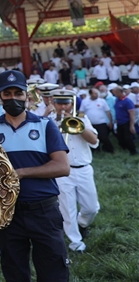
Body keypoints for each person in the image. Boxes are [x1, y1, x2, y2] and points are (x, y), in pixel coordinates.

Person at [0, 70, 70, 282]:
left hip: (44, 210)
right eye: (7, 93)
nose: (13, 98)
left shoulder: (45, 125)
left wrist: (21, 173)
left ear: (27, 96)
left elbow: (62, 167)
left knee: (54, 273)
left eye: (18, 93)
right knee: (14, 273)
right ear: (0, 97)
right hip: (8, 213)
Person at [49, 90, 99, 253]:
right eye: (60, 103)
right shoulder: (49, 122)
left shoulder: (82, 118)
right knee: (67, 209)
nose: (63, 106)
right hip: (62, 172)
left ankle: (82, 224)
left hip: (84, 169)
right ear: (54, 104)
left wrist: (78, 125)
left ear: (72, 103)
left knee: (92, 208)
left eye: (66, 103)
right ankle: (75, 243)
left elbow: (94, 141)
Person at [79, 88, 114, 154]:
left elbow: (108, 111)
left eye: (97, 93)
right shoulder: (85, 101)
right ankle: (96, 151)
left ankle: (110, 150)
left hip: (101, 123)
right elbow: (81, 112)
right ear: (90, 94)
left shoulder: (102, 101)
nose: (96, 95)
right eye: (95, 93)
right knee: (93, 137)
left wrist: (110, 121)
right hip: (90, 124)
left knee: (104, 137)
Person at [111, 86, 137, 155]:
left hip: (126, 122)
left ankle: (133, 151)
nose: (114, 94)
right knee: (120, 137)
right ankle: (124, 148)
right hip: (119, 122)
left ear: (119, 92)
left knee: (128, 138)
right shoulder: (117, 100)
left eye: (115, 93)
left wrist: (132, 125)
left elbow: (132, 114)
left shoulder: (127, 101)